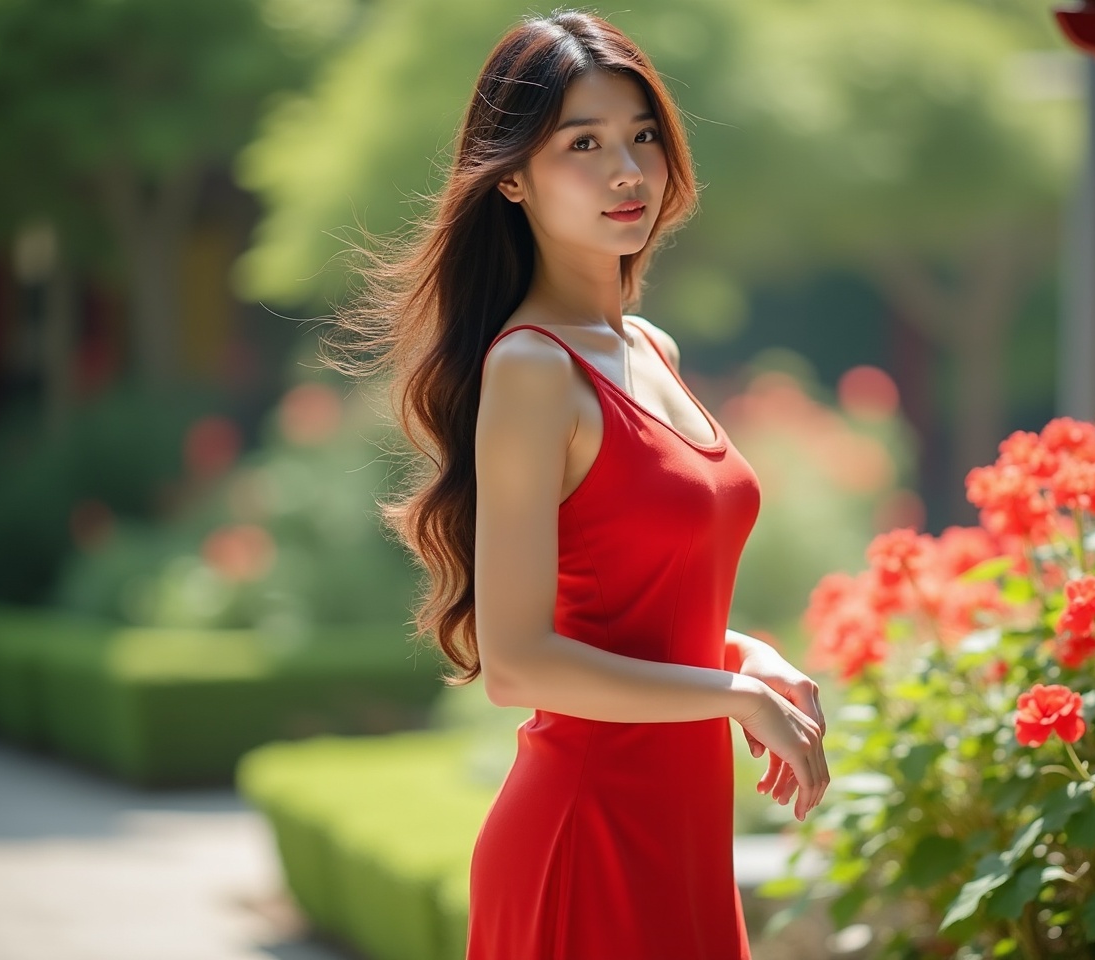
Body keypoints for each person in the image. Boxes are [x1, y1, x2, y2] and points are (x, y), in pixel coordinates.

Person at [326, 10, 830, 959]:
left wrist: (743, 653)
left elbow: (629, 605)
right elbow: (518, 663)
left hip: (681, 841)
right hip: (584, 837)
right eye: (583, 144)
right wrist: (731, 696)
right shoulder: (532, 368)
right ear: (510, 175)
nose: (627, 172)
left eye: (642, 136)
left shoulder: (649, 349)